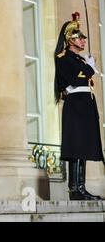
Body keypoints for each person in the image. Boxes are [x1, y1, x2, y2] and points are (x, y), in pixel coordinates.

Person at [54, 12, 104, 201]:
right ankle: (74, 189)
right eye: (79, 38)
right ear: (69, 39)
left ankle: (81, 187)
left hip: (85, 106)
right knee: (76, 146)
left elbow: (87, 81)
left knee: (83, 146)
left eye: (83, 38)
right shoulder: (63, 57)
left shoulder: (80, 60)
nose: (83, 41)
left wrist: (87, 68)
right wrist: (89, 68)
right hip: (75, 105)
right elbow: (74, 80)